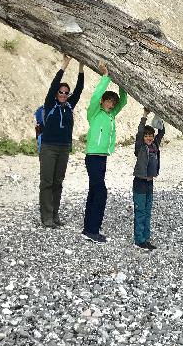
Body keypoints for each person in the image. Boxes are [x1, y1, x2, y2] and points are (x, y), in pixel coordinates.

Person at [82, 61, 127, 243]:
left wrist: (123, 85)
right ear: (103, 101)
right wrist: (106, 77)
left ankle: (89, 227)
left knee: (94, 191)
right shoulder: (94, 113)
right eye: (108, 100)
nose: (111, 104)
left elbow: (123, 101)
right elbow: (95, 96)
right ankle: (92, 230)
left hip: (102, 158)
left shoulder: (111, 115)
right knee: (101, 192)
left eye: (113, 102)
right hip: (92, 157)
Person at [38, 54, 84, 228]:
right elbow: (52, 86)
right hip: (49, 148)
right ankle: (46, 216)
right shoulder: (50, 103)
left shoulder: (70, 105)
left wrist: (81, 67)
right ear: (56, 93)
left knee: (58, 182)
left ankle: (55, 214)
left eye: (66, 93)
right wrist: (65, 65)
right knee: (47, 182)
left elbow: (79, 89)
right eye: (61, 92)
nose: (64, 94)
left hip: (64, 148)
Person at [132, 108, 167, 250]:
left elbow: (162, 132)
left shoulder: (155, 145)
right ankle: (139, 240)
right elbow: (140, 131)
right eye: (146, 136)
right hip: (139, 182)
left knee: (147, 211)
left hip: (149, 182)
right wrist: (145, 116)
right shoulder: (140, 147)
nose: (149, 138)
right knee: (140, 212)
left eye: (150, 136)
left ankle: (146, 239)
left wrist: (161, 116)